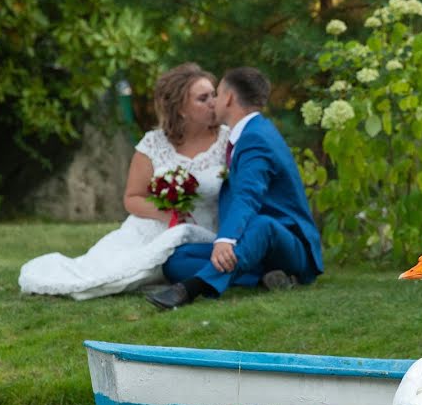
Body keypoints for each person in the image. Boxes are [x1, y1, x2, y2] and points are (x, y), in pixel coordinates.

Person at [18, 63, 229, 300]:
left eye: (214, 94)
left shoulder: (228, 142)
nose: (214, 102)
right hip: (153, 226)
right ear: (181, 109)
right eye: (203, 98)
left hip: (209, 232)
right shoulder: (153, 144)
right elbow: (132, 198)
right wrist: (167, 214)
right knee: (109, 268)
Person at [146, 66, 323, 310]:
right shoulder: (245, 134)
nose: (214, 101)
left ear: (228, 98)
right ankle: (264, 277)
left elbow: (247, 196)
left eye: (217, 94)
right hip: (254, 245)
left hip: (288, 246)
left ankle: (191, 288)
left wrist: (226, 239)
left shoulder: (256, 137)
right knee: (177, 260)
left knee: (263, 225)